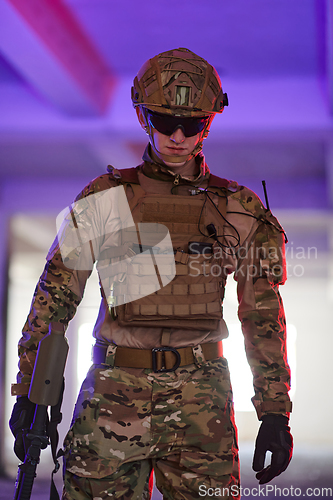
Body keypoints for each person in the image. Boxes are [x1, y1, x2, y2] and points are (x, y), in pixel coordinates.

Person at [10, 48, 293, 499]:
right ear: (143, 116)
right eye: (164, 121)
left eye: (192, 124)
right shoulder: (106, 197)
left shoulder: (240, 209)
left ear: (209, 122)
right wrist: (30, 390)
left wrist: (274, 410)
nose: (177, 136)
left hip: (202, 398)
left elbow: (261, 314)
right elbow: (56, 297)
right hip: (113, 391)